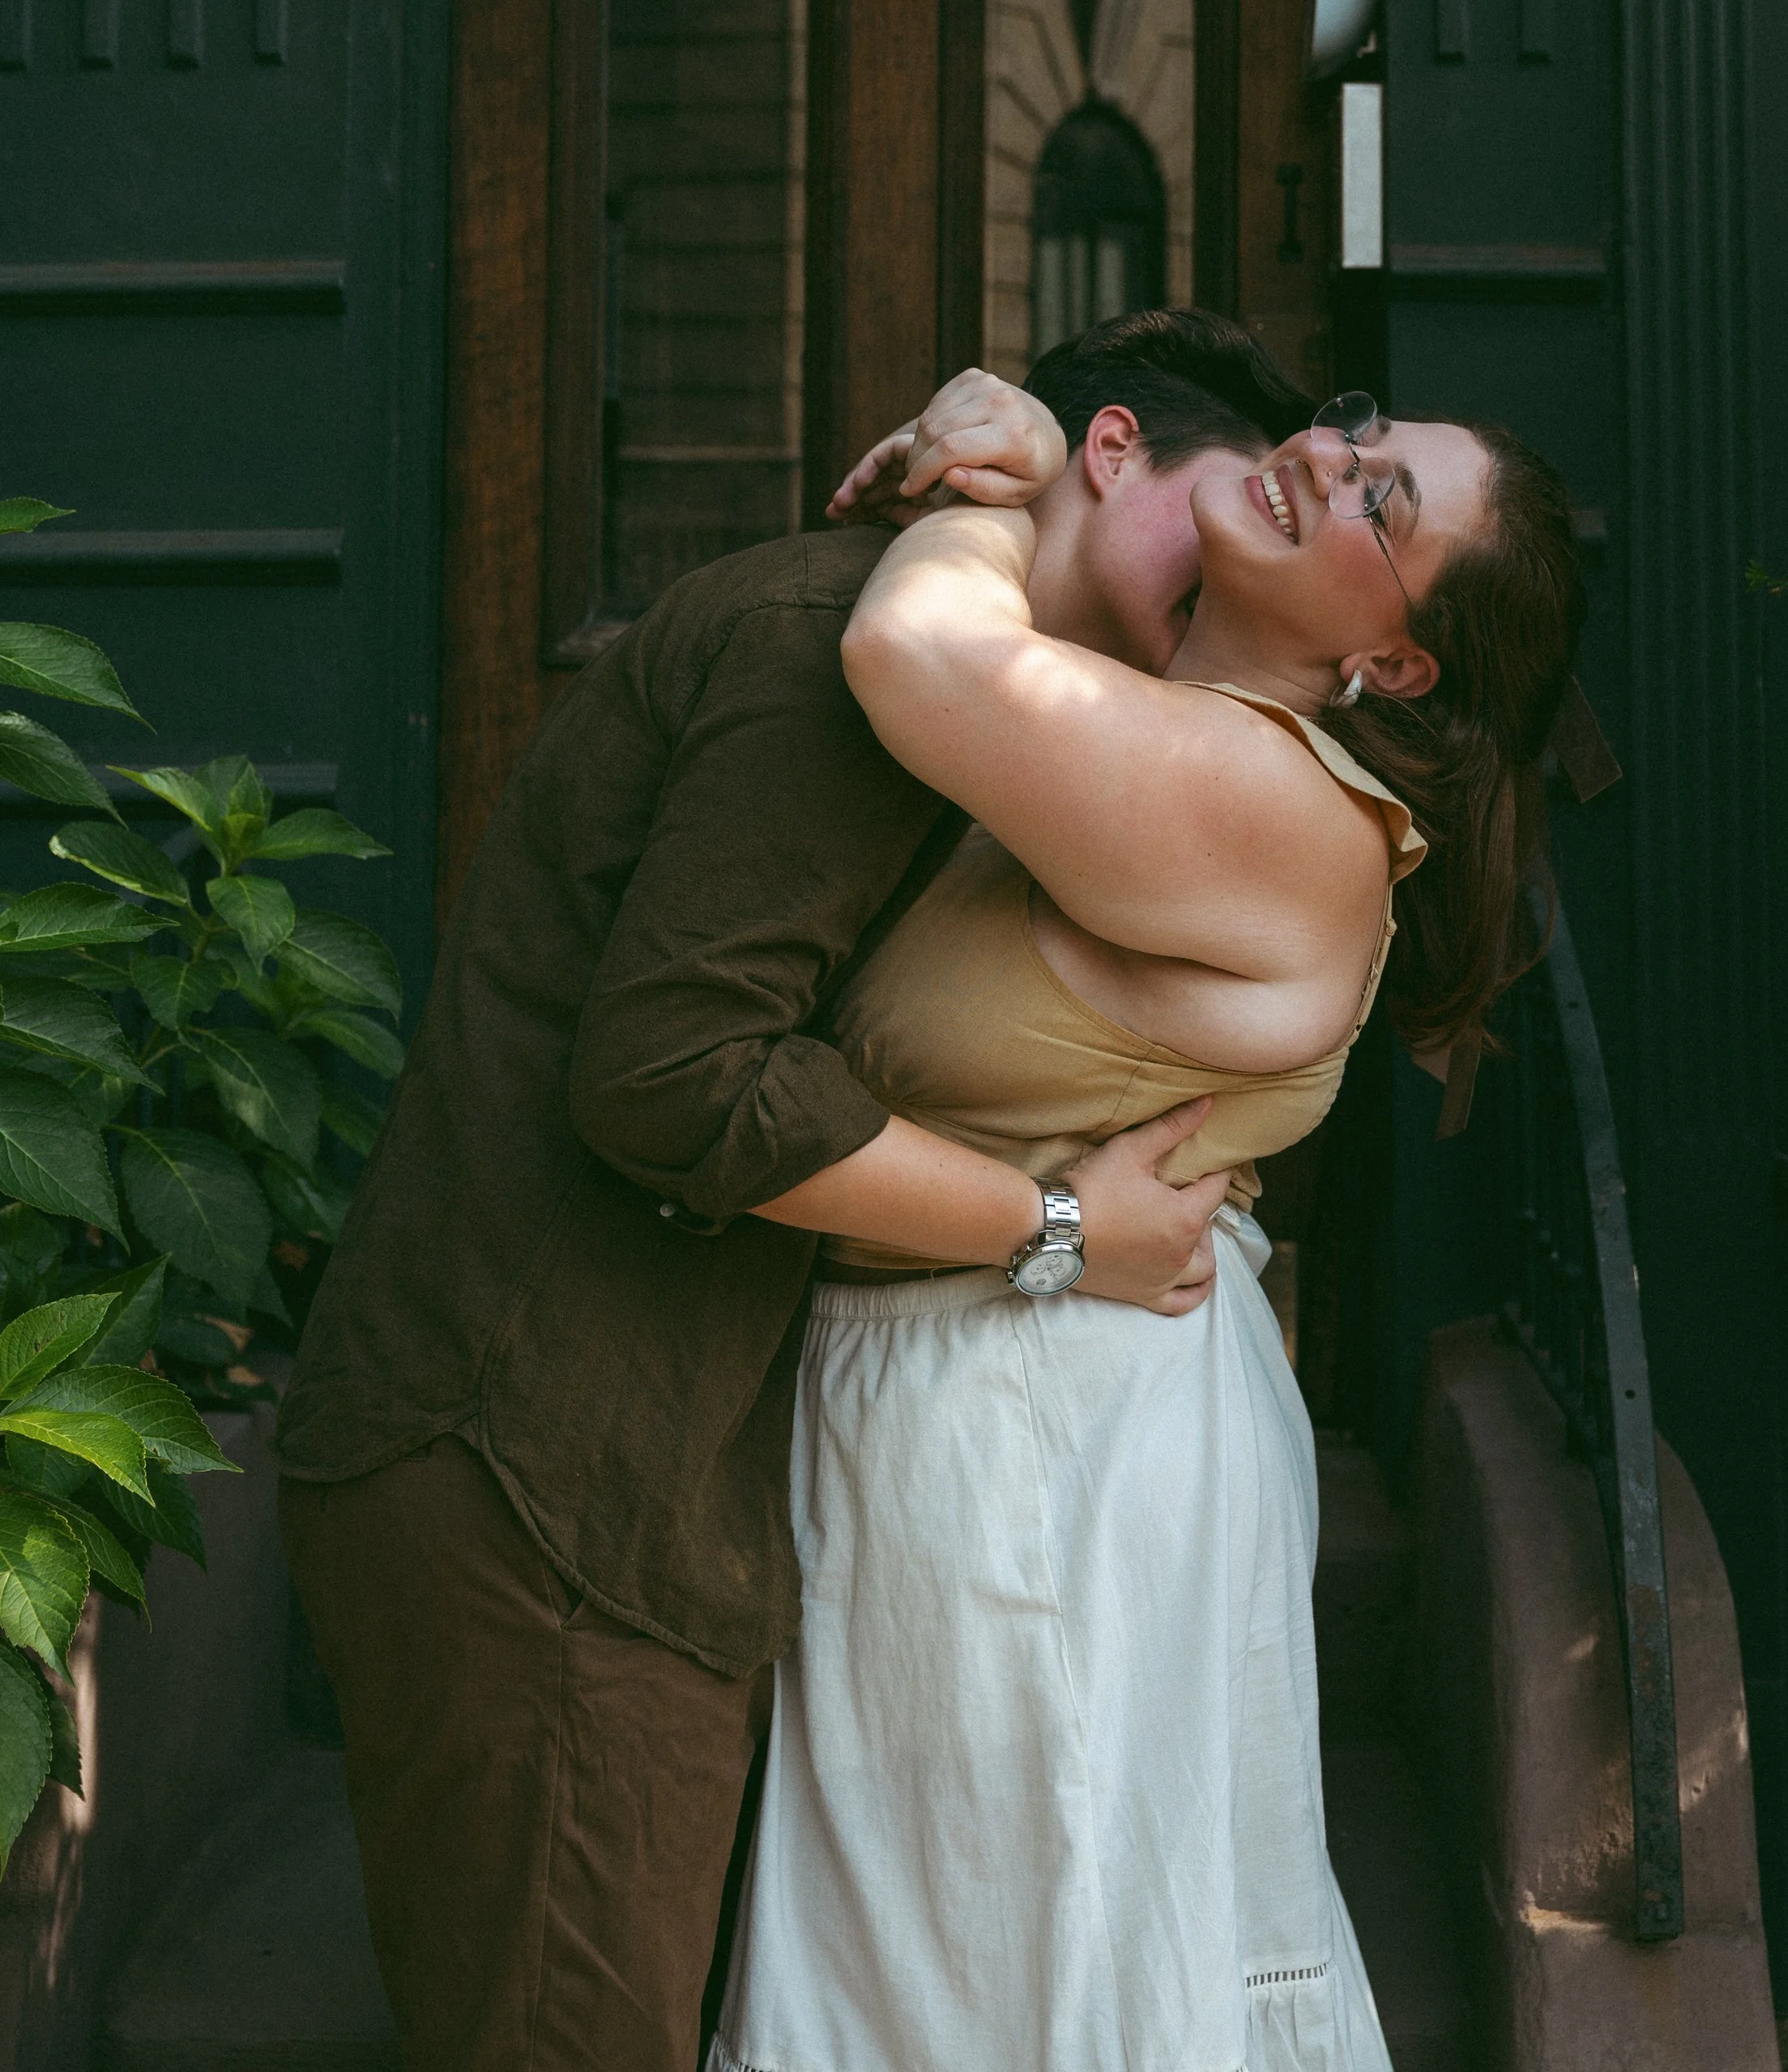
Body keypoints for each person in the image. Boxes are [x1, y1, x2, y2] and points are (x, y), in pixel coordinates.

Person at [275, 310, 1312, 2072]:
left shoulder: (976, 703)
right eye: (1223, 509)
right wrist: (1065, 1237)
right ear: (1105, 450)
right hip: (534, 1474)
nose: (1220, 575)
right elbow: (675, 1075)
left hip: (621, 1484)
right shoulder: (834, 655)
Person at [707, 387, 1585, 2072]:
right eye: (1353, 433)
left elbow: (914, 657)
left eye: (1381, 504)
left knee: (1032, 1996)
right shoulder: (1146, 737)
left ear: (1395, 663)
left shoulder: (1285, 812)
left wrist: (1006, 472)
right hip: (976, 1407)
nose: (1326, 459)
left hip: (1051, 1448)